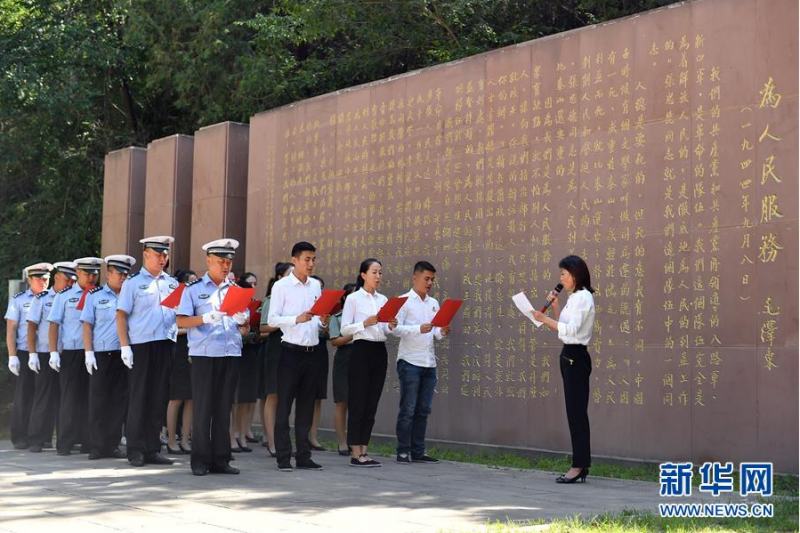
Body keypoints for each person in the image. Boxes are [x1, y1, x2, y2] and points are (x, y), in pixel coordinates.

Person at [177, 238, 249, 476]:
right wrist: (205, 318)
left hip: (230, 353)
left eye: (229, 262)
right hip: (205, 355)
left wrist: (243, 322)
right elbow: (181, 320)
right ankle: (199, 461)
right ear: (209, 261)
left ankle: (221, 459)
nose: (226, 266)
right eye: (221, 261)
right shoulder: (193, 289)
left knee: (223, 408)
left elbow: (245, 327)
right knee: (203, 409)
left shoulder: (236, 290)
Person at [532, 255, 596, 484]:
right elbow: (564, 329)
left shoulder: (584, 297)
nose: (561, 278)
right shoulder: (574, 297)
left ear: (575, 274)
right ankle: (581, 463)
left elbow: (573, 331)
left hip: (576, 357)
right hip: (568, 354)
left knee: (576, 412)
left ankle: (579, 466)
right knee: (573, 411)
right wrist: (556, 308)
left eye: (564, 274)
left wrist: (543, 319)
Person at [267, 242, 329, 472]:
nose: (311, 264)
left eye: (314, 259)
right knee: (284, 406)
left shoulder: (315, 285)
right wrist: (296, 319)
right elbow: (272, 319)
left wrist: (322, 322)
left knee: (306, 407)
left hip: (312, 352)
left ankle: (304, 456)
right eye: (307, 259)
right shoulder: (281, 286)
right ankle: (283, 457)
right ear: (295, 260)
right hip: (290, 352)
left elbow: (317, 319)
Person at [116, 236, 178, 467]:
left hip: (165, 343)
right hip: (141, 345)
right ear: (146, 254)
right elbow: (121, 315)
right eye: (158, 254)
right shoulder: (133, 283)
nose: (162, 259)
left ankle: (152, 448)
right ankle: (135, 450)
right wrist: (125, 346)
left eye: (165, 255)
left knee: (159, 397)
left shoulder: (171, 283)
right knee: (139, 397)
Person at [392, 261, 451, 464]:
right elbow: (394, 329)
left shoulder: (433, 303)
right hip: (410, 361)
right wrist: (418, 329)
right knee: (408, 409)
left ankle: (418, 451)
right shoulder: (404, 301)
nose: (429, 283)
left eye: (432, 279)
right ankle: (402, 451)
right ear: (414, 278)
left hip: (429, 362)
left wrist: (442, 332)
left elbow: (435, 333)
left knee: (423, 409)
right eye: (426, 279)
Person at [340, 258, 397, 468]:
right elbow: (344, 329)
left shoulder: (383, 299)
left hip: (379, 350)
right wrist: (364, 323)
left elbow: (383, 330)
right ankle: (355, 452)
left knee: (372, 402)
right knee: (358, 401)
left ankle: (364, 449)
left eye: (380, 272)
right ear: (363, 275)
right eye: (374, 272)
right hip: (361, 350)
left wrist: (390, 326)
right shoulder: (353, 298)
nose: (378, 276)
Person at [81, 255, 135, 460]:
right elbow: (87, 325)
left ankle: (112, 444)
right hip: (101, 354)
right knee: (98, 400)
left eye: (126, 274)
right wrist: (88, 352)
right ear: (108, 274)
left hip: (124, 354)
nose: (123, 278)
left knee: (119, 400)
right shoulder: (94, 296)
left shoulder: (131, 294)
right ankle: (96, 445)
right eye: (119, 274)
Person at [48, 257, 102, 455]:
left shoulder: (100, 295)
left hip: (96, 352)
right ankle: (65, 442)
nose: (91, 278)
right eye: (87, 274)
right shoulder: (64, 296)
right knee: (69, 398)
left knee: (91, 397)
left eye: (95, 274)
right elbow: (54, 324)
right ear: (77, 273)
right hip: (72, 352)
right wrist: (53, 352)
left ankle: (88, 441)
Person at [26, 262, 75, 452]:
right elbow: (32, 327)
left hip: (67, 352)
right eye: (66, 280)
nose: (70, 283)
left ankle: (65, 439)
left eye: (72, 280)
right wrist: (32, 353)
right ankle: (37, 438)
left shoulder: (73, 297)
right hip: (46, 353)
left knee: (66, 398)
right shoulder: (42, 298)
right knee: (44, 396)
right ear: (57, 278)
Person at [5, 262, 51, 449]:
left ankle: (40, 436)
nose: (43, 282)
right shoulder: (19, 300)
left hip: (45, 352)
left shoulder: (53, 298)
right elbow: (11, 329)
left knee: (44, 396)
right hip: (24, 352)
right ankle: (20, 436)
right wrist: (12, 355)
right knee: (23, 395)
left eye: (46, 279)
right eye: (39, 279)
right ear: (30, 280)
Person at [258, 262, 292, 456]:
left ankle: (284, 441)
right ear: (279, 278)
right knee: (273, 395)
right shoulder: (271, 299)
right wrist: (287, 320)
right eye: (289, 274)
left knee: (287, 396)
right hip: (276, 349)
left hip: (293, 348)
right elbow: (263, 327)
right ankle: (272, 443)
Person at [165, 269, 196, 455]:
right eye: (190, 282)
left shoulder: (196, 301)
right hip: (179, 349)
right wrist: (193, 326)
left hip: (195, 349)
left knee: (191, 398)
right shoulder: (174, 302)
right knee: (176, 397)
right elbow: (171, 328)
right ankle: (171, 439)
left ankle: (185, 439)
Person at [230, 274, 259, 453]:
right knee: (234, 399)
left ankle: (241, 434)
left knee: (246, 398)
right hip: (233, 353)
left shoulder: (250, 307)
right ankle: (230, 435)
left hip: (249, 353)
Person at [328, 283, 356, 455]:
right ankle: (342, 442)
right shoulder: (337, 317)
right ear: (345, 297)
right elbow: (335, 340)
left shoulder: (363, 316)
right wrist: (354, 333)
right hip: (344, 358)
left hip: (360, 356)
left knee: (357, 401)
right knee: (342, 401)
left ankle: (355, 441)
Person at [308, 274, 328, 451]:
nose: (319, 290)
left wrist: (325, 324)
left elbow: (328, 332)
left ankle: (313, 436)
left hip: (320, 350)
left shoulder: (326, 308)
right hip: (303, 349)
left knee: (317, 396)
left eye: (321, 288)